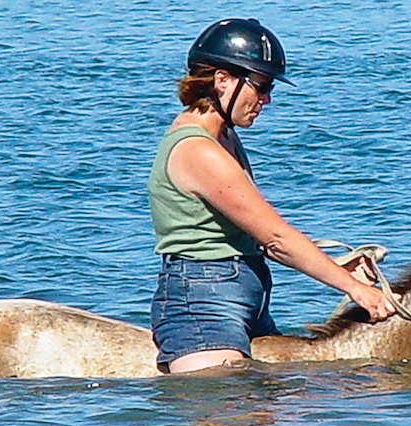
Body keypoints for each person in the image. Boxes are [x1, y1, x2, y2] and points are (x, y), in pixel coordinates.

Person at [148, 18, 396, 374]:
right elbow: (276, 238)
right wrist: (357, 291)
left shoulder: (225, 138)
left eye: (270, 90)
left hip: (245, 300)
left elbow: (254, 235)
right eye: (261, 86)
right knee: (235, 412)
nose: (265, 99)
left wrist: (337, 268)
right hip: (203, 308)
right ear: (222, 81)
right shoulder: (198, 151)